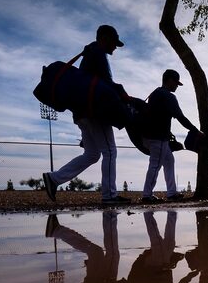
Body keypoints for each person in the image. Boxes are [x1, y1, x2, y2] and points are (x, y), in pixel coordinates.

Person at [43, 25, 130, 205]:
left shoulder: (89, 53)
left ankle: (54, 179)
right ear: (105, 38)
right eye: (114, 43)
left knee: (92, 154)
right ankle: (109, 196)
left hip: (82, 112)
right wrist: (126, 97)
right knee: (110, 151)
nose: (115, 47)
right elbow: (107, 85)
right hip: (95, 112)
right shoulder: (98, 53)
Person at [141, 69, 200, 203]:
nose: (176, 86)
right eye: (176, 83)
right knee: (155, 165)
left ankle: (171, 193)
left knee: (169, 160)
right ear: (169, 80)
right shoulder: (168, 95)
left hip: (149, 135)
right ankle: (146, 195)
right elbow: (180, 117)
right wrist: (196, 131)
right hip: (157, 137)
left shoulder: (155, 92)